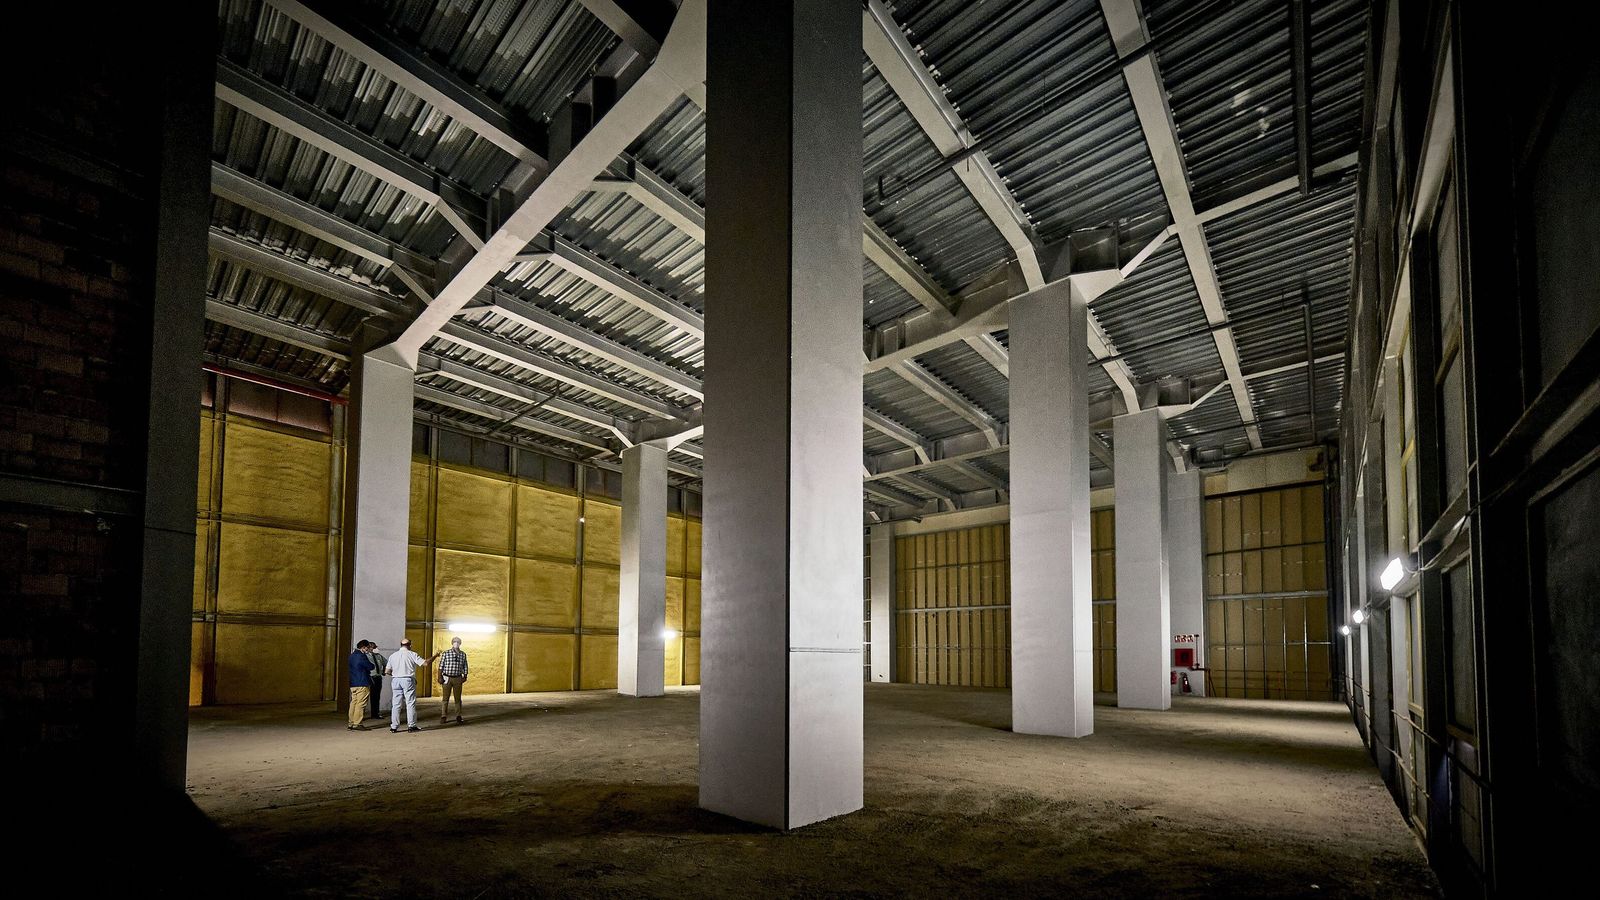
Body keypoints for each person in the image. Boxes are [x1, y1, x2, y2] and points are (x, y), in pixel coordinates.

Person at [384, 638, 438, 733]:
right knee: (410, 703)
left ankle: (394, 727)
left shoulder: (393, 656)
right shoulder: (412, 654)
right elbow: (425, 663)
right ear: (410, 645)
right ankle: (411, 726)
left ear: (400, 645)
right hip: (408, 680)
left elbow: (387, 671)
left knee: (396, 704)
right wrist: (435, 656)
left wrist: (397, 674)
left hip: (396, 680)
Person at [438, 636, 469, 724]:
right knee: (445, 698)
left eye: (458, 642)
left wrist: (465, 676)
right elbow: (441, 666)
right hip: (447, 677)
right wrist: (439, 677)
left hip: (458, 678)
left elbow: (465, 666)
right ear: (452, 643)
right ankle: (443, 715)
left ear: (460, 643)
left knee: (458, 698)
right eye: (455, 641)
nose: (456, 643)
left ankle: (458, 715)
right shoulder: (446, 653)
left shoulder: (463, 654)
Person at [346, 641, 372, 731]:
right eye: (368, 647)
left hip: (353, 683)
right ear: (363, 647)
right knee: (361, 704)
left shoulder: (351, 656)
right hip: (362, 682)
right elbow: (370, 666)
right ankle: (357, 723)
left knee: (353, 703)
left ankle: (351, 722)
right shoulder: (361, 656)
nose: (368, 649)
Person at [364, 642, 386, 720]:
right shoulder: (365, 656)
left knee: (376, 696)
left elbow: (386, 663)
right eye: (373, 647)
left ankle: (375, 713)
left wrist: (384, 671)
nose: (375, 649)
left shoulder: (379, 656)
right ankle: (361, 714)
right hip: (370, 677)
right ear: (369, 648)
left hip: (378, 677)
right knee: (366, 697)